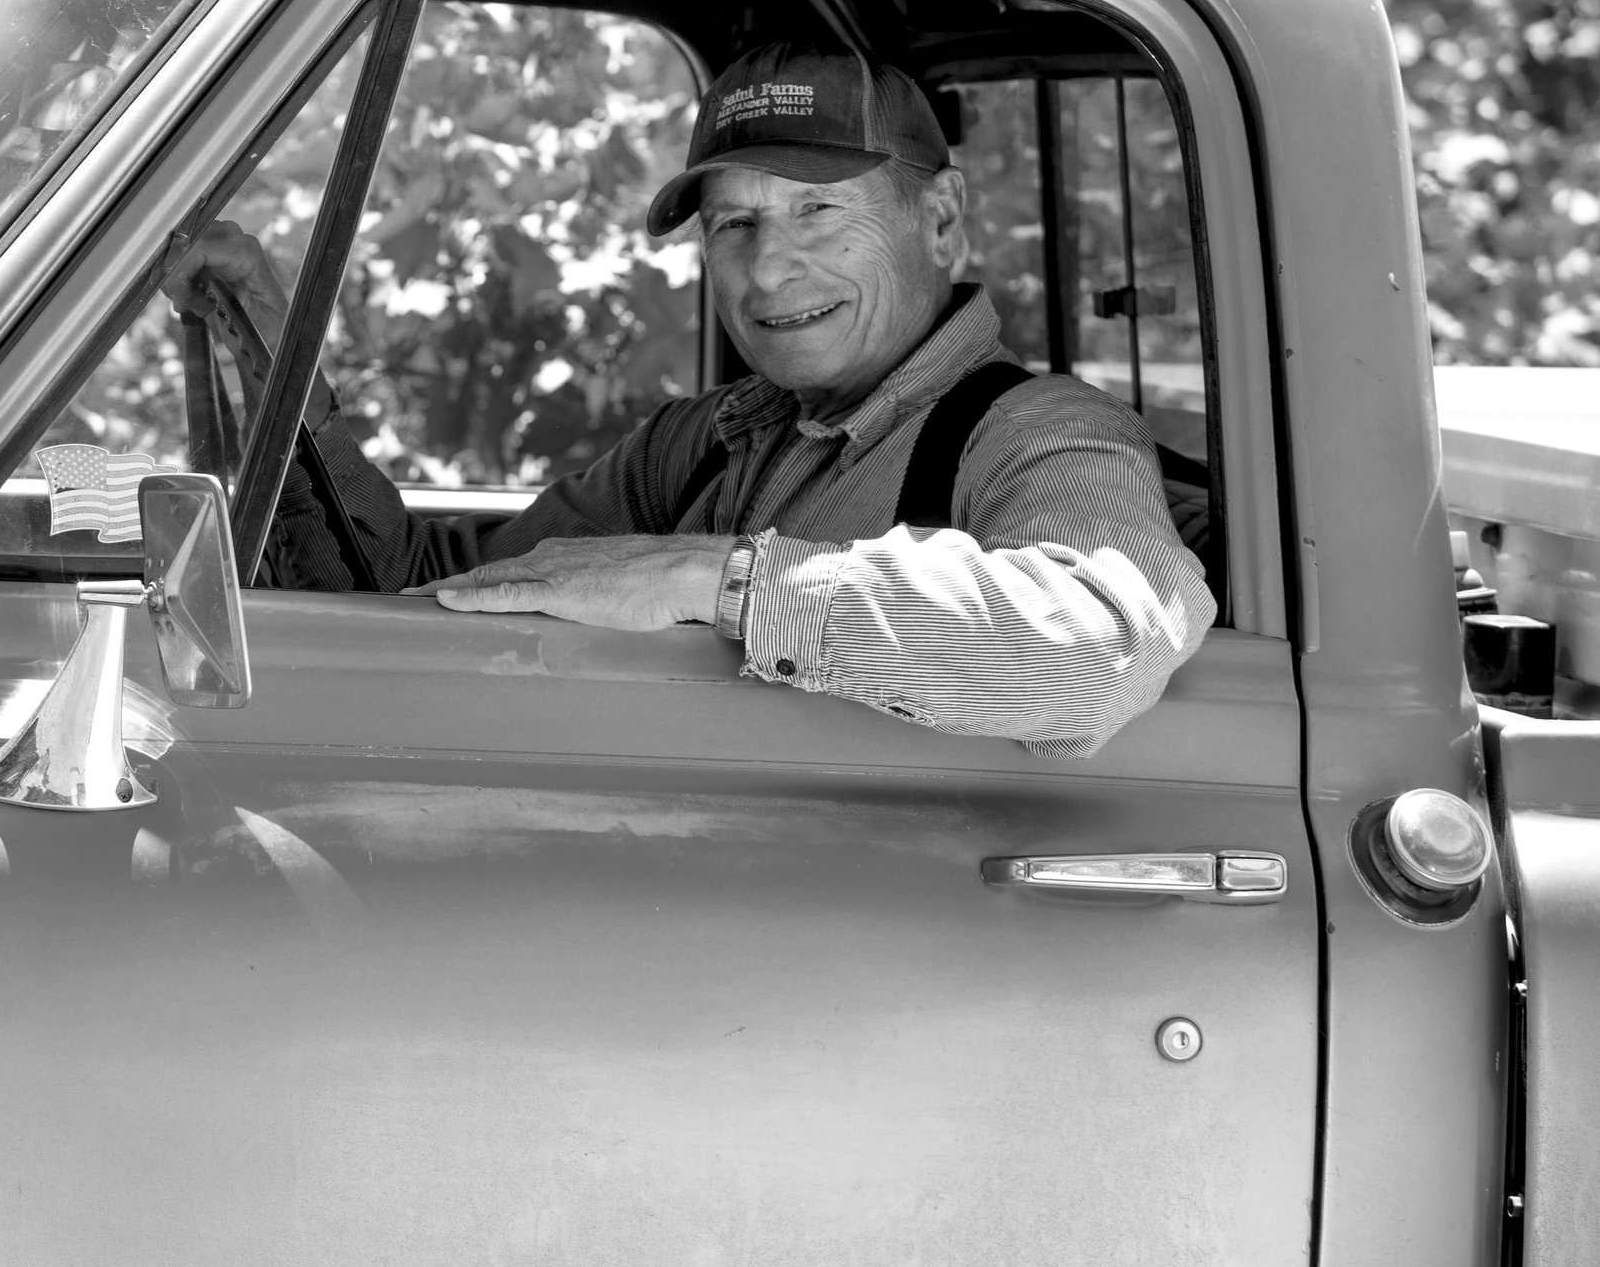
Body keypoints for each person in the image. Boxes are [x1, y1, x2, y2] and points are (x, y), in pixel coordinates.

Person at [169, 40, 1215, 758]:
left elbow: (1101, 644)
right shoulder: (713, 442)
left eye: (816, 212)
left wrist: (715, 581)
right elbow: (426, 602)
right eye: (734, 225)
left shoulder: (1041, 436)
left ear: (939, 222)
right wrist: (276, 361)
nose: (766, 275)